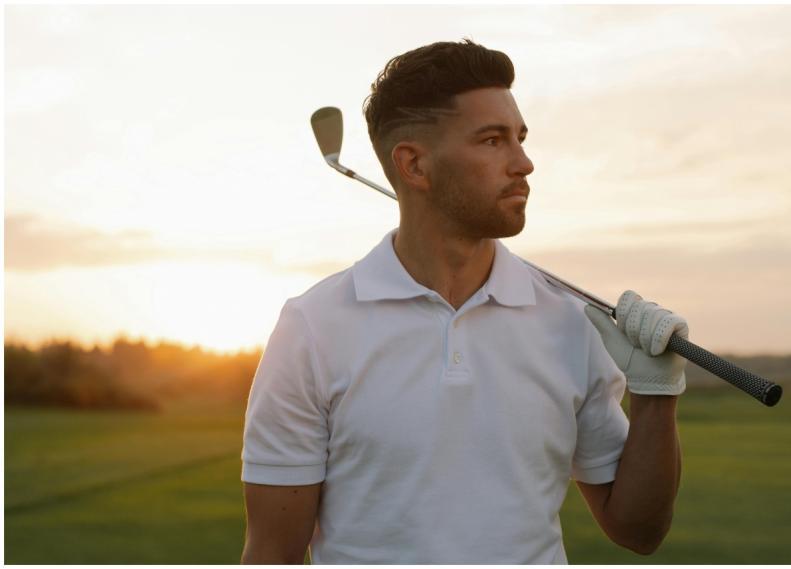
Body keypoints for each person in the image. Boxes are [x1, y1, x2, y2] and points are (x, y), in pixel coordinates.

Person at [240, 39, 688, 564]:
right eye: (493, 140)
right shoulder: (312, 328)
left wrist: (656, 394)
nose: (524, 163)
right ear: (414, 165)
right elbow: (273, 552)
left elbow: (638, 531)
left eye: (520, 138)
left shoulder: (571, 321)